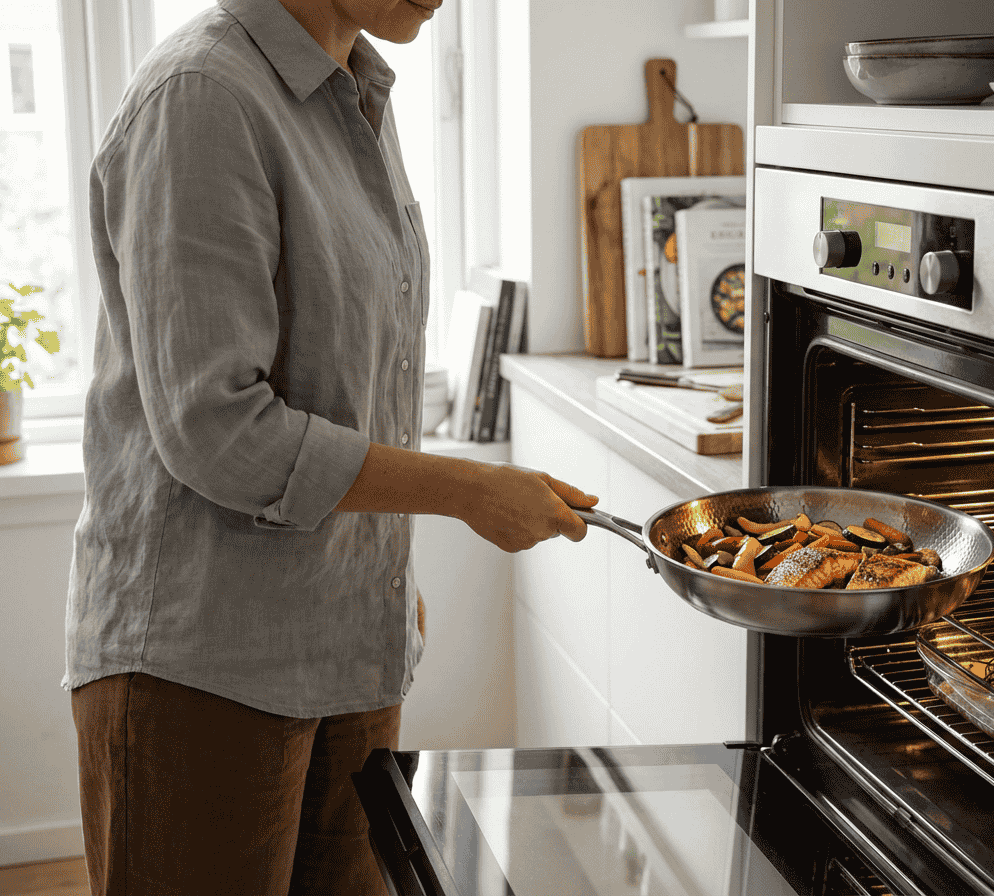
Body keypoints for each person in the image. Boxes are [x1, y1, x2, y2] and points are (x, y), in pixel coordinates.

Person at [63, 0, 597, 893]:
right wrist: (467, 490)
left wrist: (378, 573)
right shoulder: (203, 95)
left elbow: (351, 380)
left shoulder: (352, 93)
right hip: (201, 666)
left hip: (347, 647)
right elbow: (219, 431)